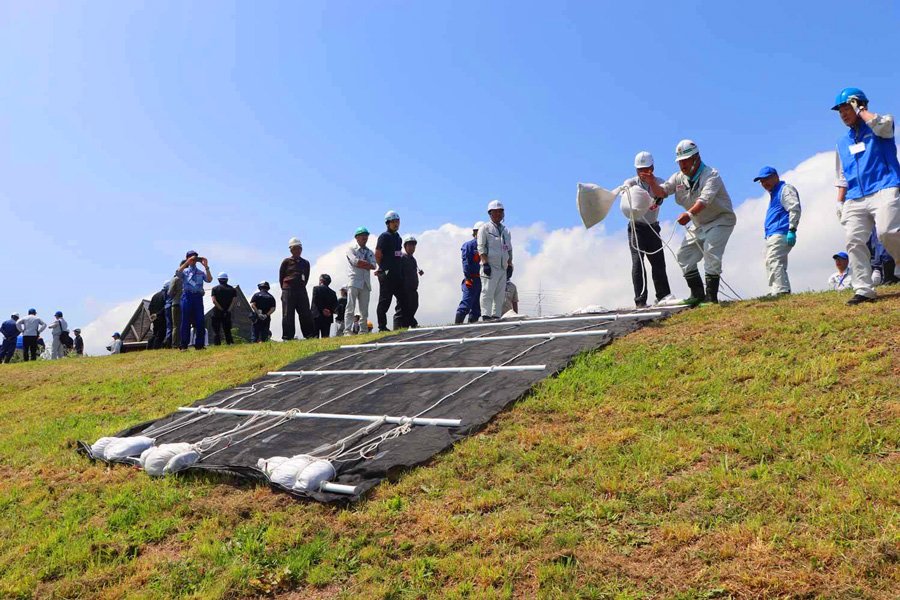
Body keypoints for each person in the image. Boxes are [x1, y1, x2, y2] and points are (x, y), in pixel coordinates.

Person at [642, 140, 737, 304]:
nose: (683, 164)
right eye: (680, 161)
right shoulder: (678, 178)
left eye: (686, 160)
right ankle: (697, 294)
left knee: (711, 253)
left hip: (720, 220)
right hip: (699, 223)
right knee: (684, 256)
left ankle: (711, 297)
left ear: (696, 158)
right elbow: (663, 192)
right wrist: (651, 182)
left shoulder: (711, 175)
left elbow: (704, 201)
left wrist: (688, 214)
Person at [832, 87, 900, 305]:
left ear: (859, 105)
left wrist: (861, 111)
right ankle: (864, 289)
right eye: (839, 110)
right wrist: (839, 202)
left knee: (887, 232)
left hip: (884, 186)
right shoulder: (842, 143)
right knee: (853, 240)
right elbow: (842, 176)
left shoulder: (880, 126)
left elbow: (884, 125)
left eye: (846, 108)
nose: (843, 114)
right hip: (855, 196)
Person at [621, 152, 672, 307]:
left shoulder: (660, 182)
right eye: (640, 170)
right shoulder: (630, 183)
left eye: (646, 169)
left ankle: (663, 297)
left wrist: (652, 183)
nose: (643, 173)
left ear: (652, 168)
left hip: (653, 228)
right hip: (636, 228)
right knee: (638, 262)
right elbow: (625, 196)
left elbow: (660, 197)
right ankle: (640, 301)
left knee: (658, 263)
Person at [754, 166, 802, 296]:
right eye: (762, 181)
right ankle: (779, 289)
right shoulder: (774, 193)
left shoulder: (785, 189)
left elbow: (794, 208)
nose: (764, 183)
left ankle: (780, 290)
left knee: (773, 259)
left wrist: (792, 229)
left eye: (767, 179)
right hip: (772, 233)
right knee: (773, 261)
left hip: (781, 231)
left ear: (776, 177)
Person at [477, 200, 513, 319]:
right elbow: (481, 247)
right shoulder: (485, 228)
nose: (498, 214)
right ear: (490, 213)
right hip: (490, 266)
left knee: (500, 295)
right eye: (495, 212)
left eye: (500, 212)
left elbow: (509, 249)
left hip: (503, 267)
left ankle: (496, 316)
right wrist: (485, 263)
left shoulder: (506, 231)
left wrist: (510, 264)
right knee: (487, 292)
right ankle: (486, 315)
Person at [375, 211, 406, 332]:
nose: (396, 224)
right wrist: (382, 268)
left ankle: (404, 324)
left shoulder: (398, 238)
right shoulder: (384, 236)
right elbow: (377, 254)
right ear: (388, 223)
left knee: (404, 299)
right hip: (387, 274)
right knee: (385, 301)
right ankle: (382, 327)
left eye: (397, 221)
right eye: (393, 222)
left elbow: (398, 255)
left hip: (397, 274)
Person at [176, 250, 213, 350]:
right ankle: (184, 345)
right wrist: (187, 262)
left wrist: (206, 266)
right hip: (187, 296)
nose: (194, 260)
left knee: (200, 321)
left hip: (198, 297)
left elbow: (209, 280)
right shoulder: (184, 271)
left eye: (195, 258)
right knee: (185, 321)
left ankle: (199, 345)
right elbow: (177, 273)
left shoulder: (200, 272)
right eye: (192, 257)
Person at [280, 237, 314, 340]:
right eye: (295, 248)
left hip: (301, 290)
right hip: (288, 289)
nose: (298, 251)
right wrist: (286, 288)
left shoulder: (305, 263)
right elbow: (281, 276)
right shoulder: (286, 261)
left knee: (305, 313)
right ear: (291, 249)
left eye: (299, 248)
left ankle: (309, 335)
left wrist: (301, 285)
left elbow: (306, 276)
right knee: (288, 314)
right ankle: (287, 337)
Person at [344, 227, 376, 336]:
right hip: (354, 281)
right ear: (357, 237)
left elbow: (374, 265)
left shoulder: (370, 251)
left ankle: (363, 330)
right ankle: (347, 330)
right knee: (350, 307)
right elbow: (355, 262)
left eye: (366, 235)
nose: (364, 237)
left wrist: (362, 263)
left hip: (365, 283)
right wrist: (365, 264)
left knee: (364, 310)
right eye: (362, 235)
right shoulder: (351, 249)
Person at [455, 222, 483, 324]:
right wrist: (467, 277)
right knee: (466, 305)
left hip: (482, 280)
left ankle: (471, 328)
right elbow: (466, 261)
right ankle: (457, 326)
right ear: (475, 232)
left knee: (477, 309)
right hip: (471, 279)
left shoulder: (486, 247)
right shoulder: (469, 245)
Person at [394, 235, 423, 329]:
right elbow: (391, 254)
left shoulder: (413, 260)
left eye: (413, 246)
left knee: (413, 306)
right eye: (410, 245)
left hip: (413, 289)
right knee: (401, 310)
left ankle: (407, 325)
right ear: (405, 246)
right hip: (403, 289)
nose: (412, 247)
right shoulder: (401, 254)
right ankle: (398, 328)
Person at [210, 272, 237, 345]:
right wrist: (228, 310)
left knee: (216, 330)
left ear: (218, 280)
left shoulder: (214, 289)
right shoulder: (232, 289)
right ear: (227, 280)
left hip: (217, 312)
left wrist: (221, 309)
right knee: (227, 329)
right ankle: (230, 343)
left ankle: (217, 344)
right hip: (227, 311)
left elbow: (214, 301)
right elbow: (234, 301)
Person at [147, 283, 168, 350]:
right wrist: (158, 314)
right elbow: (166, 306)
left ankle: (149, 347)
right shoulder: (165, 295)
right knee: (160, 334)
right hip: (162, 317)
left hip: (154, 318)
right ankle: (156, 348)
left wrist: (152, 316)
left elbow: (150, 307)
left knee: (155, 333)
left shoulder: (155, 295)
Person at [164, 274, 182, 349]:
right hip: (178, 304)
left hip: (171, 305)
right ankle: (175, 343)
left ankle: (170, 343)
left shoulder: (173, 280)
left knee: (171, 326)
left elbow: (169, 294)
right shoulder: (181, 279)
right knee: (177, 325)